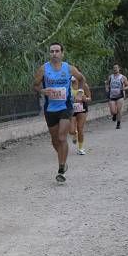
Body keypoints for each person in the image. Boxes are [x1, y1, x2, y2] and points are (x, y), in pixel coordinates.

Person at [32, 43, 90, 182]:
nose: (54, 53)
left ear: (62, 53)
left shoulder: (69, 68)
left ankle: (61, 169)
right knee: (55, 140)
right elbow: (35, 85)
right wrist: (41, 90)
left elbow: (82, 79)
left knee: (62, 137)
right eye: (52, 51)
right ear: (49, 53)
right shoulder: (43, 69)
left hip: (65, 107)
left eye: (57, 51)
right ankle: (63, 157)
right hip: (50, 108)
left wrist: (80, 92)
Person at [106, 64, 128, 128]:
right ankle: (114, 115)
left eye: (116, 68)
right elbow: (107, 84)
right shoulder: (110, 77)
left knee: (119, 110)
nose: (115, 69)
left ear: (119, 69)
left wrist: (124, 89)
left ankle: (118, 123)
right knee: (113, 110)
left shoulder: (123, 77)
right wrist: (107, 88)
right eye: (114, 68)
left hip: (120, 96)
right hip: (112, 96)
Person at [70, 87, 90, 155]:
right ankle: (75, 134)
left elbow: (89, 98)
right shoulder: (67, 84)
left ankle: (80, 148)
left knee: (80, 128)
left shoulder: (84, 86)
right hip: (71, 110)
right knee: (71, 130)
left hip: (82, 110)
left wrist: (86, 99)